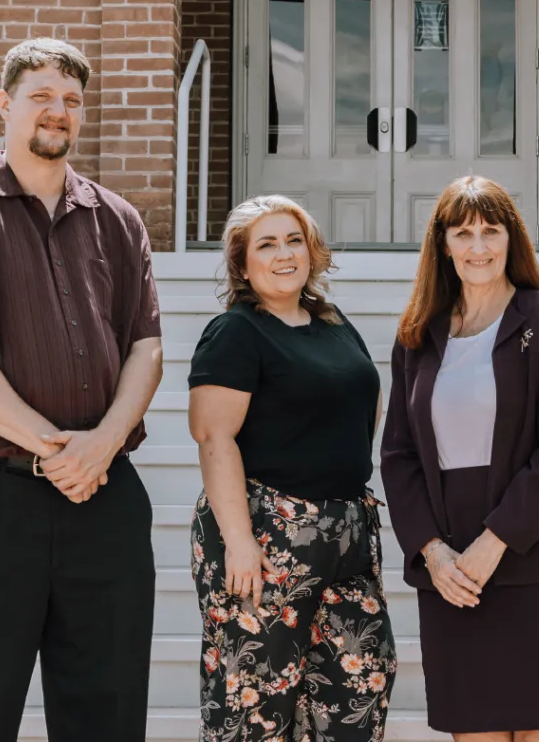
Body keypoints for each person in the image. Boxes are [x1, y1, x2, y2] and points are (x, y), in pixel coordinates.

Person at [0, 38, 163, 742]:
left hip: (106, 500)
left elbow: (146, 347)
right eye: (42, 96)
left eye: (73, 101)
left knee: (107, 718)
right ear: (5, 103)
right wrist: (56, 450)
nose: (59, 112)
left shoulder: (119, 221)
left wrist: (102, 445)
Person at [380, 176, 539, 741]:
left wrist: (494, 542)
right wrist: (432, 553)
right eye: (463, 233)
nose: (478, 247)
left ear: (511, 239)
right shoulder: (414, 339)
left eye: (490, 231)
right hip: (453, 572)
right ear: (443, 245)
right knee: (474, 732)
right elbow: (399, 457)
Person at [187, 195, 397, 741]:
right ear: (241, 263)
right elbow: (214, 436)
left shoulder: (331, 321)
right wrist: (238, 540)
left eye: (294, 240)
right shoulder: (236, 331)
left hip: (347, 533)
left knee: (358, 690)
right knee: (255, 702)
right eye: (267, 244)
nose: (284, 254)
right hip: (264, 533)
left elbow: (362, 403)